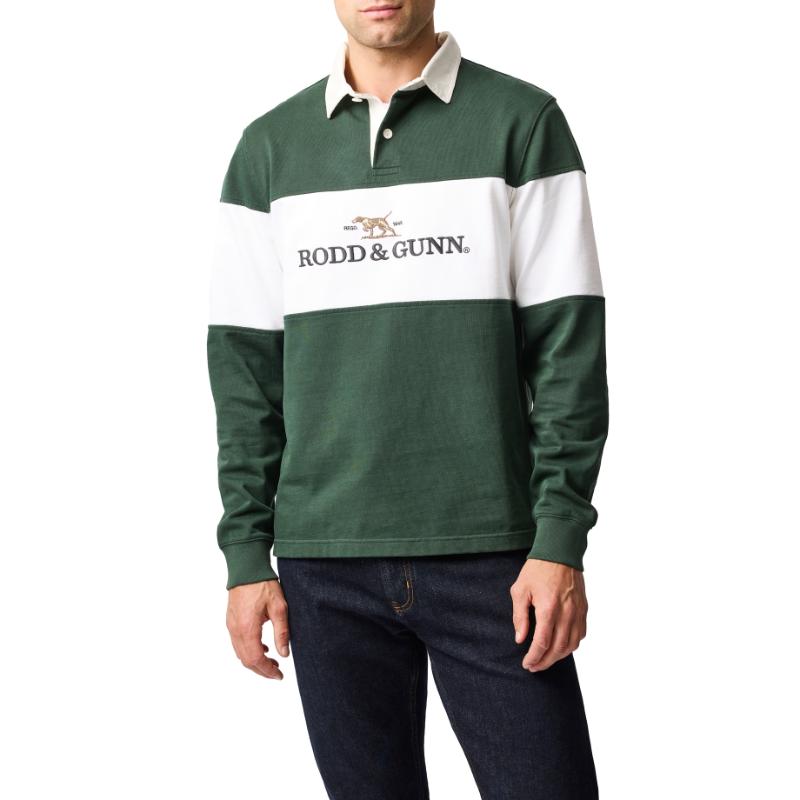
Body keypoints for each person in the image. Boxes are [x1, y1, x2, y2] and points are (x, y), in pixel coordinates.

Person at [206, 2, 608, 797]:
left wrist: (560, 540)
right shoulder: (268, 150)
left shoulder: (522, 123)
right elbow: (246, 375)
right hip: (324, 566)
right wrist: (246, 555)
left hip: (495, 557)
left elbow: (569, 350)